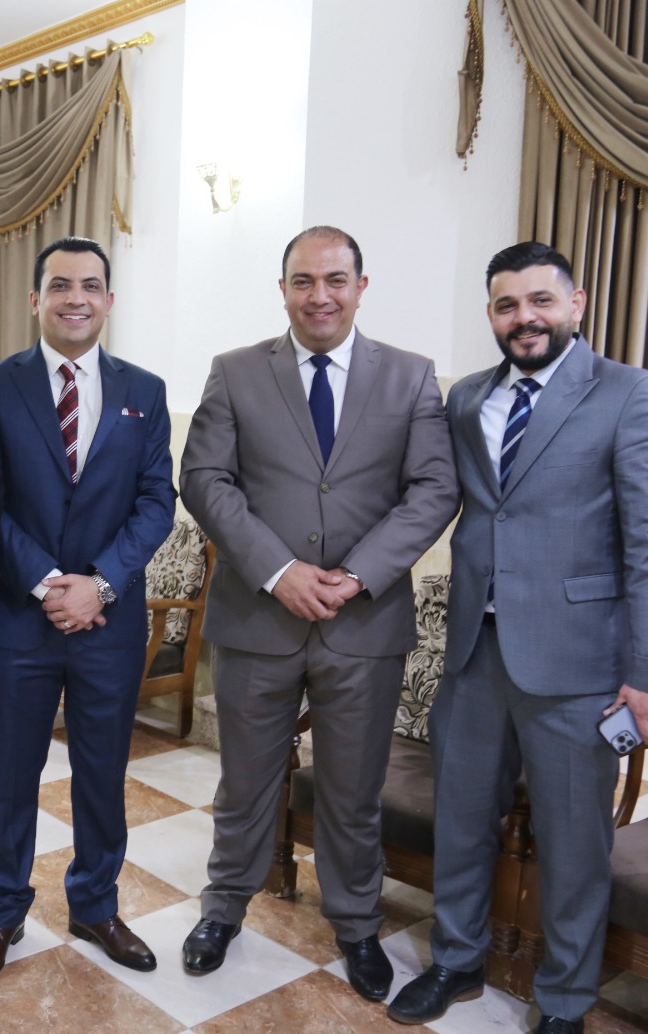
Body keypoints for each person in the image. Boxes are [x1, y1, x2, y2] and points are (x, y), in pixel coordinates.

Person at [387, 242, 648, 1034]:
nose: (525, 318)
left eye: (541, 301)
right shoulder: (466, 399)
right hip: (472, 655)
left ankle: (564, 999)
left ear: (576, 304)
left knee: (573, 841)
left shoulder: (630, 393)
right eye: (507, 305)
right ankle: (456, 961)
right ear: (491, 314)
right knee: (460, 821)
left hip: (578, 664)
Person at [179, 226, 458, 997]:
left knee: (352, 790)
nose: (320, 295)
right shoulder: (235, 372)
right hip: (257, 619)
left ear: (361, 287)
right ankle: (223, 909)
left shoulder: (411, 377)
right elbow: (204, 479)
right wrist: (278, 571)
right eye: (303, 281)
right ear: (283, 290)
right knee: (244, 784)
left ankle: (357, 924)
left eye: (336, 280)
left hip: (363, 624)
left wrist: (358, 575)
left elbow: (435, 488)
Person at [0, 236, 176, 980]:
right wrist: (49, 582)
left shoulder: (144, 390)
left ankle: (95, 905)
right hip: (18, 619)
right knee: (11, 776)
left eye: (90, 285)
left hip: (108, 624)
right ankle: (1, 912)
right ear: (36, 300)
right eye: (60, 285)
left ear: (109, 300)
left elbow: (156, 502)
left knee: (102, 774)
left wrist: (100, 584)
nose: (75, 298)